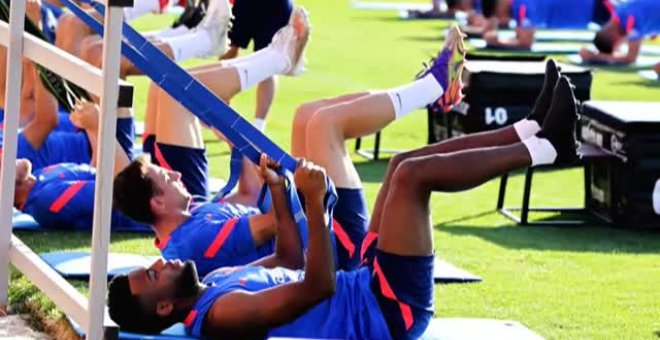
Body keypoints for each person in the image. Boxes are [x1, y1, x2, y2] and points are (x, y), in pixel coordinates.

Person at [106, 51, 581, 339]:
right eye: (151, 276)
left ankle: (530, 128)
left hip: (367, 286)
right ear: (164, 306)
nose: (160, 265)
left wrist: (278, 189)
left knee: (399, 166)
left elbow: (288, 258)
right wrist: (313, 203)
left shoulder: (220, 283)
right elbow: (318, 286)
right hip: (387, 311)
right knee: (415, 178)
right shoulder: (219, 315)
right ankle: (545, 148)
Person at [112, 8, 315, 276]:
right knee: (317, 121)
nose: (175, 175)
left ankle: (257, 54)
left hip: (304, 229)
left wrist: (235, 137)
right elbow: (277, 222)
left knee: (167, 87)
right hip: (318, 243)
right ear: (159, 203)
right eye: (168, 178)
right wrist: (283, 187)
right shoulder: (193, 238)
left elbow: (248, 196)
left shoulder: (189, 222)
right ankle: (273, 59)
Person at [219, 0, 293, 132]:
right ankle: (223, 115)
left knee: (268, 64)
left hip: (275, 8)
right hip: (245, 5)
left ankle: (259, 126)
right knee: (229, 50)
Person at [468, 0, 611, 49]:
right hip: (590, 12)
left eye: (497, 14)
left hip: (595, 6)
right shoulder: (517, 9)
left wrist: (498, 41)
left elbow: (526, 42)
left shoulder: (521, 5)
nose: (500, 19)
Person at [580, 0, 660, 65]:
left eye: (618, 46)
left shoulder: (630, 22)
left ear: (613, 39)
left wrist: (595, 57)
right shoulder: (619, 10)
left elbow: (631, 58)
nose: (624, 42)